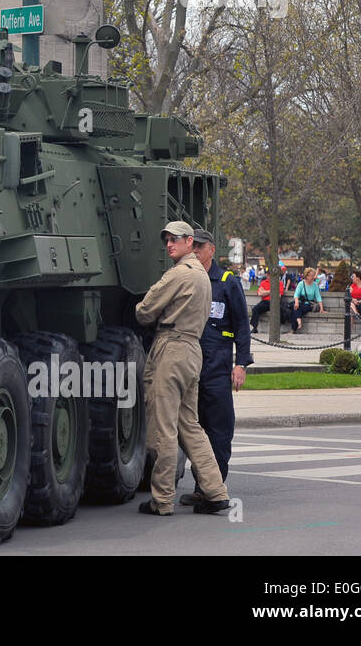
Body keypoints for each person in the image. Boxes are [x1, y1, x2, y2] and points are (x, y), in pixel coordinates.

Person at [134, 221, 230, 516]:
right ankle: (215, 491)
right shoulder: (202, 274)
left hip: (171, 349)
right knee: (190, 426)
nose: (169, 244)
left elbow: (144, 311)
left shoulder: (178, 274)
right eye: (166, 239)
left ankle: (161, 500)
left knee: (163, 428)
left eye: (175, 239)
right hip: (192, 351)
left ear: (190, 241)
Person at [181, 229, 252, 504]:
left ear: (212, 249)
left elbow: (241, 327)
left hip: (217, 367)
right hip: (191, 365)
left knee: (219, 429)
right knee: (195, 430)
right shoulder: (187, 280)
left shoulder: (226, 282)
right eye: (192, 247)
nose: (195, 251)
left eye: (200, 247)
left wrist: (241, 364)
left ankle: (214, 488)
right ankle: (202, 487)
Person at [291, 267, 322, 333]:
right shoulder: (301, 284)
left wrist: (321, 308)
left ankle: (294, 328)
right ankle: (297, 323)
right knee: (295, 307)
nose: (313, 277)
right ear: (307, 276)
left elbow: (318, 296)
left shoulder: (315, 285)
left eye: (313, 275)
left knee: (297, 309)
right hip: (300, 302)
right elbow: (296, 294)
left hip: (309, 304)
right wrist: (296, 302)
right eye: (311, 275)